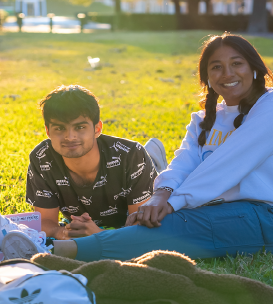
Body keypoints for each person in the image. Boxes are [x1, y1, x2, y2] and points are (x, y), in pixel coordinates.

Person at [0, 33, 273, 263]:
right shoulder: (205, 119)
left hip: (270, 218)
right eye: (217, 67)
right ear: (207, 78)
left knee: (176, 225)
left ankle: (53, 253)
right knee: (154, 221)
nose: (227, 74)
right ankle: (53, 243)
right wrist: (158, 196)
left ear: (254, 67)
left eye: (236, 64)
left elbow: (229, 163)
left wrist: (174, 201)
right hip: (210, 209)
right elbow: (185, 162)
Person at [25, 85, 168, 240]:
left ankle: (154, 163)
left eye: (79, 127)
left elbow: (141, 225)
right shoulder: (41, 158)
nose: (70, 137)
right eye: (59, 128)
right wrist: (63, 233)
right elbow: (45, 221)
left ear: (97, 128)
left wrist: (100, 235)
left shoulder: (131, 155)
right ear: (47, 131)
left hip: (130, 195)